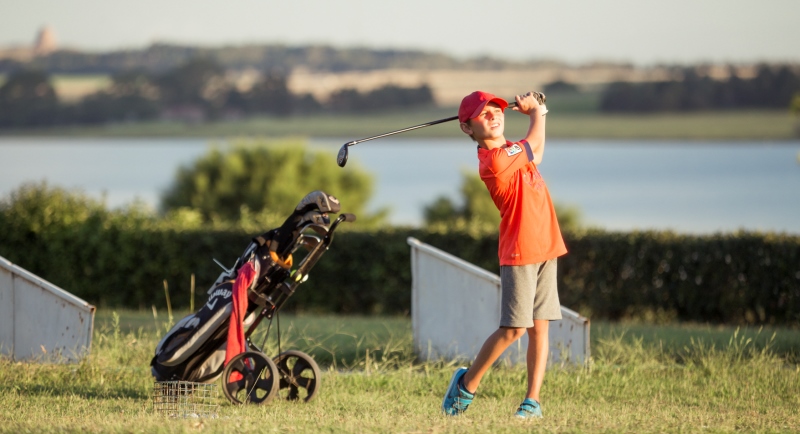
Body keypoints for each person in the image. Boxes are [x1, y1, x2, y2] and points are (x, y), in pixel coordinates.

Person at [441, 90, 567, 419]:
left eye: (497, 109)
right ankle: (466, 384)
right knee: (514, 329)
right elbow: (533, 144)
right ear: (467, 129)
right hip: (520, 250)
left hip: (546, 244)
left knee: (540, 326)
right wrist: (538, 111)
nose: (494, 115)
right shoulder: (494, 161)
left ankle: (532, 401)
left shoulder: (512, 150)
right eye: (483, 114)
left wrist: (538, 114)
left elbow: (535, 153)